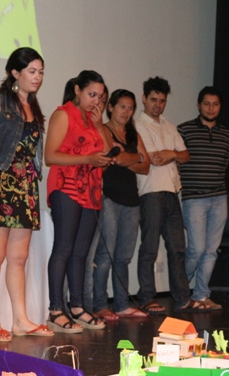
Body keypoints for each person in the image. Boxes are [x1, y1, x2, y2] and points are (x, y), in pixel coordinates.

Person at [0, 47, 53, 341]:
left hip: (25, 186)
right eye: (32, 71)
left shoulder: (33, 107)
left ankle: (20, 320)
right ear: (15, 73)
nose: (37, 77)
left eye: (40, 72)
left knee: (19, 257)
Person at [45, 70, 113, 333]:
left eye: (100, 97)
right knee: (63, 249)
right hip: (66, 187)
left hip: (91, 191)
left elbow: (106, 159)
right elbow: (51, 156)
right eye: (92, 94)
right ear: (77, 90)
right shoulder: (63, 114)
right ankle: (55, 310)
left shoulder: (94, 120)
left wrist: (99, 126)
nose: (96, 101)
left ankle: (77, 307)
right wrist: (87, 159)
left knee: (81, 254)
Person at [135, 76, 209, 313]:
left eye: (162, 101)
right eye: (153, 100)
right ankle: (146, 297)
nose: (158, 105)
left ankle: (182, 297)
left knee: (178, 248)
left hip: (171, 191)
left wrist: (171, 153)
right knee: (149, 247)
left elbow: (185, 155)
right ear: (144, 99)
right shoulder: (138, 126)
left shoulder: (169, 125)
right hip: (150, 191)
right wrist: (172, 154)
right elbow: (153, 158)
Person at [84, 89, 150, 321]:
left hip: (132, 200)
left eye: (130, 108)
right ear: (110, 107)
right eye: (122, 106)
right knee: (105, 255)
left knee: (123, 257)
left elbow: (145, 166)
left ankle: (122, 305)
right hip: (109, 198)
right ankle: (100, 305)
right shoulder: (104, 130)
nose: (126, 112)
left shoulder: (133, 135)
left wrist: (128, 158)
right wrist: (135, 157)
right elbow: (113, 159)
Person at [177, 86, 229, 310]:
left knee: (211, 251)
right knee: (196, 249)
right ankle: (181, 292)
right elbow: (178, 163)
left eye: (215, 104)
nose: (211, 108)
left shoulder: (227, 134)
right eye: (207, 104)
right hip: (194, 199)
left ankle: (201, 295)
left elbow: (226, 164)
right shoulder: (184, 130)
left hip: (219, 199)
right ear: (199, 105)